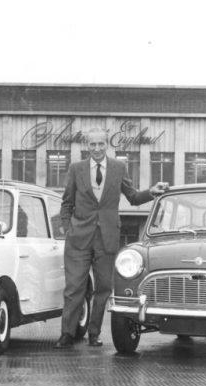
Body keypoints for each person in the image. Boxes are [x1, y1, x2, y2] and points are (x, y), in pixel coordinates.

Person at [55, 127, 167, 349]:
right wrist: (68, 230)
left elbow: (133, 197)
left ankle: (94, 334)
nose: (97, 148)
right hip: (78, 239)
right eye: (92, 144)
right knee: (74, 288)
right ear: (87, 146)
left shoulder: (118, 168)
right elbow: (66, 203)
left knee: (104, 288)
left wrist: (151, 192)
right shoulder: (76, 169)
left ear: (107, 145)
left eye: (101, 144)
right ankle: (67, 333)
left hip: (107, 238)